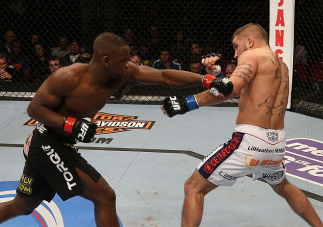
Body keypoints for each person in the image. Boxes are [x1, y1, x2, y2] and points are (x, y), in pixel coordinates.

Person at [0, 32, 204, 227]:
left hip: (53, 145)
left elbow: (165, 77)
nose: (129, 64)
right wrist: (71, 124)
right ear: (106, 60)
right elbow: (34, 109)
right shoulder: (68, 77)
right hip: (47, 143)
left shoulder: (123, 73)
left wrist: (205, 80)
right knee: (105, 197)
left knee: (24, 206)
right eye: (124, 60)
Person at [162, 23, 323, 227]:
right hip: (276, 144)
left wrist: (187, 102)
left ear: (250, 41)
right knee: (284, 186)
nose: (236, 54)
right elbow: (247, 92)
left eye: (236, 47)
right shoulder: (282, 66)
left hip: (249, 142)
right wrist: (217, 75)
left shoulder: (251, 55)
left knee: (193, 187)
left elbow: (230, 90)